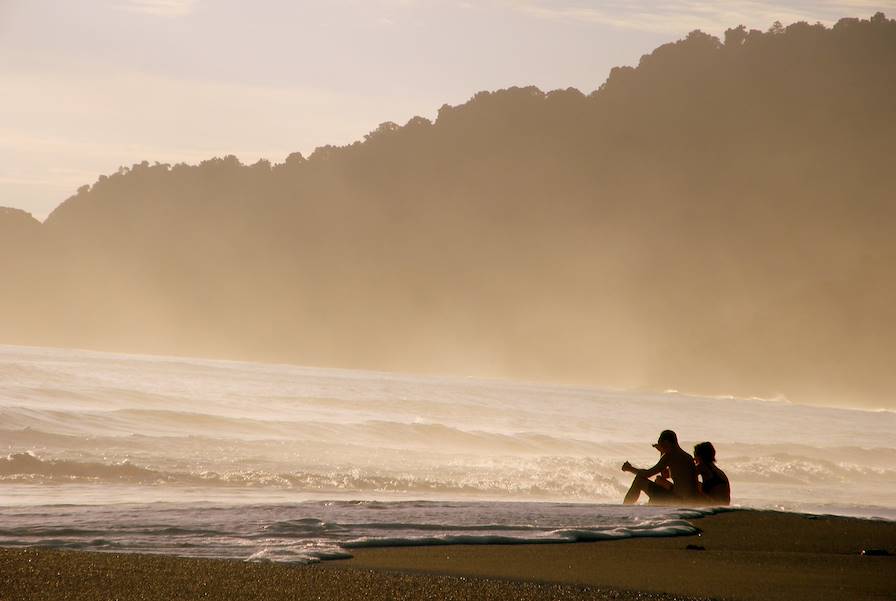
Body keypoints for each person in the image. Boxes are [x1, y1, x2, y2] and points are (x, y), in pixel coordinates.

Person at [621, 430, 698, 505]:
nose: (662, 447)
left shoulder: (670, 455)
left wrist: (629, 469)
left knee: (639, 480)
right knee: (658, 483)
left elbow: (647, 474)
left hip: (678, 500)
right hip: (689, 500)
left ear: (666, 442)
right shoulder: (688, 457)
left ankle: (625, 508)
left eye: (662, 445)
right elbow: (664, 475)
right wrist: (662, 452)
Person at [694, 441, 730, 505]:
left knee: (693, 484)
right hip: (724, 505)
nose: (694, 457)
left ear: (700, 456)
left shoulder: (703, 467)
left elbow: (685, 476)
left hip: (715, 505)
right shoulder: (718, 471)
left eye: (695, 454)